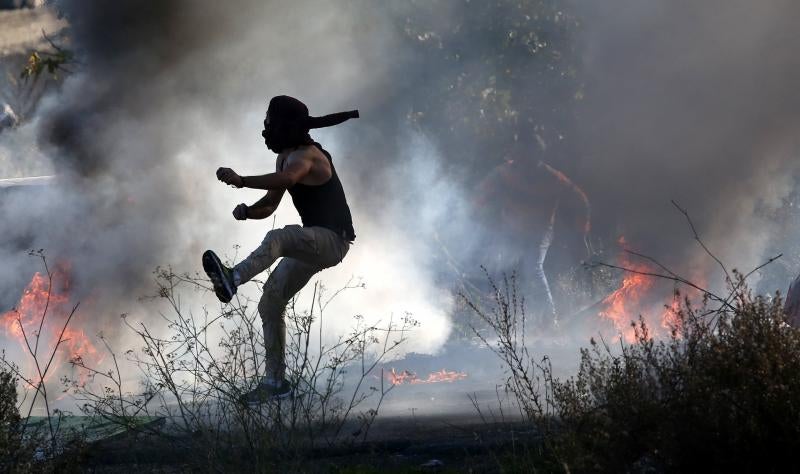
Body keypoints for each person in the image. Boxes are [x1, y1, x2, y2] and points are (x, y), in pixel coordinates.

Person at [203, 95, 358, 402]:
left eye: (271, 121)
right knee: (271, 301)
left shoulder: (307, 156)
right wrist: (249, 211)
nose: (267, 127)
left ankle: (233, 278)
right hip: (313, 243)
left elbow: (287, 179)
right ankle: (276, 383)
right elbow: (270, 204)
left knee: (280, 238)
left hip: (332, 241)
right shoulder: (284, 158)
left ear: (285, 125)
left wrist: (241, 180)